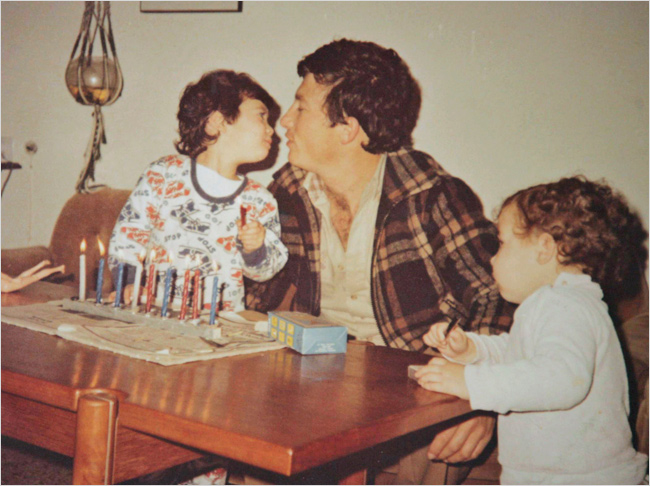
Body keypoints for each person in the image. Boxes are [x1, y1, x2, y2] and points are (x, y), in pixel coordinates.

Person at [245, 39, 514, 484]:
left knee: (431, 447)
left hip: (416, 382)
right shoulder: (284, 194)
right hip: (317, 379)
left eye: (300, 107)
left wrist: (483, 401)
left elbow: (498, 300)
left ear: (348, 128)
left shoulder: (431, 196)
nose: (284, 122)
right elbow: (254, 294)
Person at [416, 177, 649, 484]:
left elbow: (562, 378)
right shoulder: (553, 303)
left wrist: (471, 383)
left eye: (501, 244)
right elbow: (519, 353)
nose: (492, 257)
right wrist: (473, 350)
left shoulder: (566, 305)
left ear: (544, 248)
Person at [108, 70, 288, 316]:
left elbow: (264, 272)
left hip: (220, 324)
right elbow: (128, 236)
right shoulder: (164, 174)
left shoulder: (260, 200)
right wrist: (129, 282)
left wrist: (255, 248)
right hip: (153, 314)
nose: (271, 131)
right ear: (217, 121)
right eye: (261, 117)